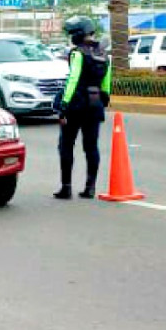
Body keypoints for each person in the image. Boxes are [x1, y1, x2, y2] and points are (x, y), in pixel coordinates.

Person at [54, 16, 112, 200]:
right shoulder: (103, 53)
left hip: (76, 104)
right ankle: (90, 188)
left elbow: (73, 79)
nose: (71, 37)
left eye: (72, 33)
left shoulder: (77, 53)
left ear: (78, 34)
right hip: (95, 104)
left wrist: (64, 104)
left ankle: (66, 188)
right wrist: (103, 100)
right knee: (91, 147)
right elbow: (106, 83)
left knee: (66, 144)